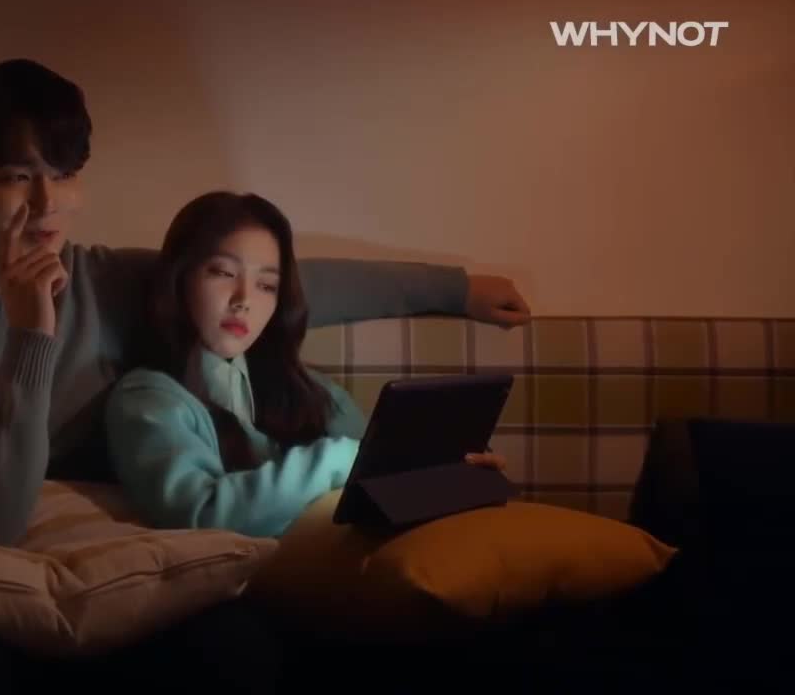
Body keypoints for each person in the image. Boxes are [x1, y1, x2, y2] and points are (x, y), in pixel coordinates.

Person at [0, 57, 530, 693]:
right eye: (15, 177)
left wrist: (456, 290)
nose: (47, 202)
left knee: (237, 648)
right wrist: (30, 339)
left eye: (65, 172)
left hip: (138, 563)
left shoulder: (106, 280)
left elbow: (268, 282)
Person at [105, 192, 508, 538]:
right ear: (179, 279)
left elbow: (378, 483)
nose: (244, 299)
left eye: (267, 285)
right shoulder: (149, 399)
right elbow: (199, 514)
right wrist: (338, 460)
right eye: (224, 272)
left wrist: (451, 473)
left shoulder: (311, 389)